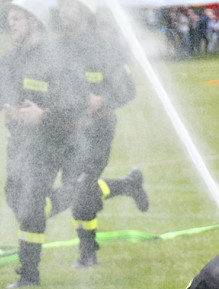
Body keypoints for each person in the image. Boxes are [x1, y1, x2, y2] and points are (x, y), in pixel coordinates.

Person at [0, 0, 90, 288]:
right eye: (10, 18)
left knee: (29, 205)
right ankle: (74, 193)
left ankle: (29, 275)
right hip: (20, 145)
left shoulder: (57, 58)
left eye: (18, 18)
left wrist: (45, 115)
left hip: (54, 144)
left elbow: (78, 102)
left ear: (34, 21)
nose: (11, 23)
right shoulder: (9, 61)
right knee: (14, 197)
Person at [47, 0, 143, 269]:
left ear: (85, 11)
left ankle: (87, 253)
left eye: (70, 5)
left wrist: (102, 101)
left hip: (98, 130)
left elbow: (128, 89)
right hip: (67, 131)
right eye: (61, 6)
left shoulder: (103, 46)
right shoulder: (58, 48)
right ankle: (127, 185)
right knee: (79, 189)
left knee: (80, 187)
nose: (64, 11)